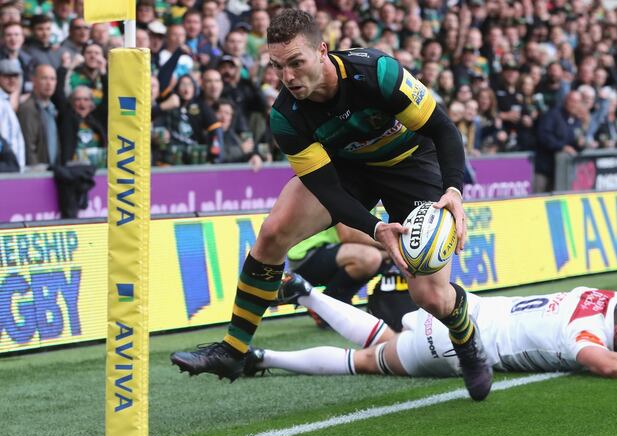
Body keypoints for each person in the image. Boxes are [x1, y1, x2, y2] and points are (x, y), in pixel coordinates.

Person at [171, 10, 493, 402]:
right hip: (348, 168)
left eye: (296, 63)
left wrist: (454, 190)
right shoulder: (285, 116)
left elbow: (443, 128)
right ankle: (233, 351)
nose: (287, 77)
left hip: (411, 163)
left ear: (322, 51)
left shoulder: (377, 72)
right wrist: (376, 228)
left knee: (431, 298)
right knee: (273, 232)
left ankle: (466, 339)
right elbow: (328, 191)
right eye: (277, 66)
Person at [242, 273, 617, 382]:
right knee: (368, 360)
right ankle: (264, 359)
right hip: (460, 345)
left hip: (463, 306)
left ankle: (307, 292)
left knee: (384, 340)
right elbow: (607, 363)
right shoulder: (586, 338)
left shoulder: (611, 301)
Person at [288, 223, 386, 328]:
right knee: (371, 257)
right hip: (305, 256)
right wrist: (389, 243)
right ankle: (325, 306)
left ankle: (339, 305)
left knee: (387, 255)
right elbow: (348, 235)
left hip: (329, 251)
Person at [18, 63, 59, 169]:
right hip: (38, 173)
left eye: (52, 79)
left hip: (52, 170)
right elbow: (28, 146)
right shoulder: (28, 109)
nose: (49, 83)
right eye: (44, 78)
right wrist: (36, 174)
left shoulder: (52, 108)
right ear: (34, 81)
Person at [0, 58, 24, 170]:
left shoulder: (6, 102)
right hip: (6, 171)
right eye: (7, 76)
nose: (12, 80)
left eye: (15, 76)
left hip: (13, 171)